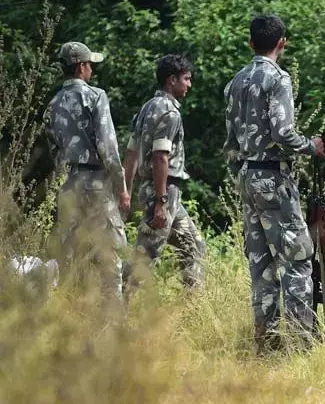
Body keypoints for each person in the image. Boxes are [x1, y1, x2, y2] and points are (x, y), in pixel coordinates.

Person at [223, 14, 325, 353]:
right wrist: (311, 146)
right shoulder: (278, 79)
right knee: (296, 260)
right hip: (273, 176)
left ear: (251, 43)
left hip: (246, 177)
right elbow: (283, 132)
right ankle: (299, 344)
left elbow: (231, 140)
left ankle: (265, 344)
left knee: (261, 263)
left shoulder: (235, 82)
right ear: (282, 42)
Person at [44, 41, 130, 291]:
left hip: (69, 185)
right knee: (108, 254)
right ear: (81, 66)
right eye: (90, 64)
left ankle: (73, 315)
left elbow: (55, 152)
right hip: (96, 183)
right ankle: (113, 319)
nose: (92, 69)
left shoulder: (52, 106)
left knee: (72, 255)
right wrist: (121, 188)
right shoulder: (95, 96)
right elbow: (108, 148)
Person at [123, 55, 205, 289]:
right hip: (163, 192)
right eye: (186, 79)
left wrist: (126, 192)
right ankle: (114, 305)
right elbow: (160, 157)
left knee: (194, 246)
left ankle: (191, 311)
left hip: (162, 195)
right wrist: (160, 202)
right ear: (171, 80)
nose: (189, 84)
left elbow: (131, 153)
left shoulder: (147, 108)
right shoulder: (170, 113)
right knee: (145, 259)